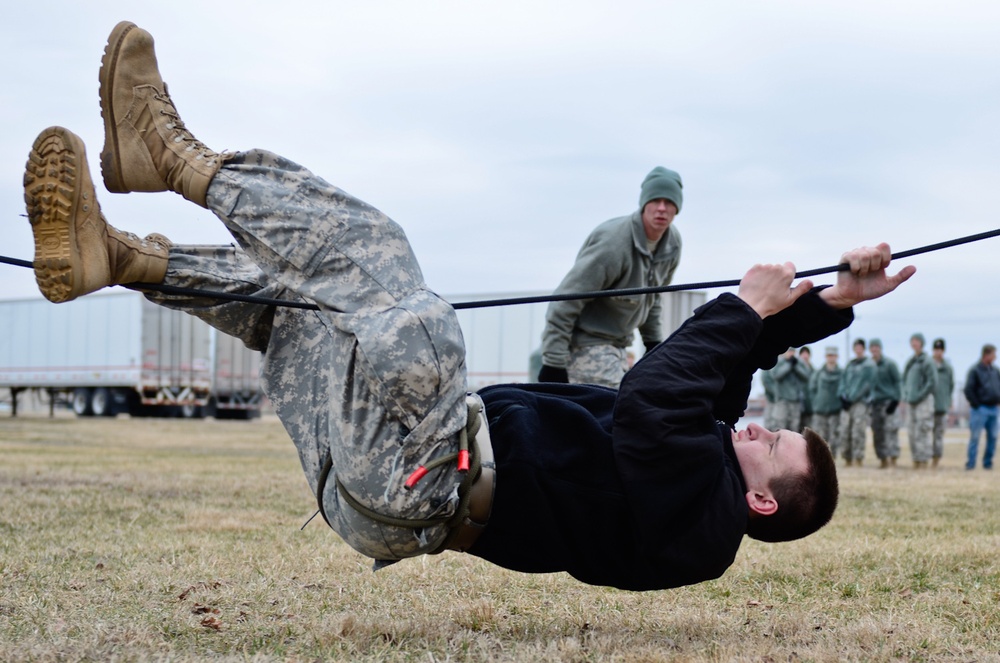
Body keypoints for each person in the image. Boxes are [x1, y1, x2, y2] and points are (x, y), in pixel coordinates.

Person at [22, 21, 915, 592]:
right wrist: (833, 298)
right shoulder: (708, 472)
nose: (755, 429)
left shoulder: (707, 521)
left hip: (424, 476)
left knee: (403, 294)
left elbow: (657, 399)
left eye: (771, 445)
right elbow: (720, 375)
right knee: (308, 306)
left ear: (762, 503)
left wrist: (740, 305)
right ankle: (123, 258)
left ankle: (174, 159)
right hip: (388, 477)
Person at [537, 167, 683, 387]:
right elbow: (565, 300)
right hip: (585, 344)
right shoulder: (613, 244)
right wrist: (553, 364)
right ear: (644, 203)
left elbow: (652, 299)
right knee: (612, 409)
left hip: (619, 347)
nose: (662, 209)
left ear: (677, 207)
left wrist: (654, 345)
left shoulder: (671, 244)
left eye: (669, 202)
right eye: (655, 200)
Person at [838, 339, 876, 466]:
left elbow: (866, 385)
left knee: (857, 431)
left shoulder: (869, 365)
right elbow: (843, 381)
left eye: (860, 348)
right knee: (845, 430)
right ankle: (847, 458)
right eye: (856, 348)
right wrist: (842, 396)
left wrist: (852, 398)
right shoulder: (850, 365)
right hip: (847, 403)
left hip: (860, 403)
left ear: (863, 349)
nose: (858, 350)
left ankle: (858, 458)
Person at [902, 333, 937, 469]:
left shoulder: (927, 361)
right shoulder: (911, 361)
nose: (914, 344)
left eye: (916, 341)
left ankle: (924, 460)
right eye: (912, 341)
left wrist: (920, 395)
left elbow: (932, 382)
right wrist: (907, 394)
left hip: (923, 402)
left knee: (923, 430)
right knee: (912, 431)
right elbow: (904, 380)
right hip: (911, 402)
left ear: (922, 343)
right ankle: (916, 459)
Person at [963, 344, 1000, 471]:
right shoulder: (975, 370)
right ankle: (971, 464)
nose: (995, 357)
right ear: (986, 355)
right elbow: (968, 389)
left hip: (994, 409)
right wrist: (976, 404)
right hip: (980, 409)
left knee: (993, 437)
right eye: (993, 354)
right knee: (975, 437)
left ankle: (988, 463)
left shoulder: (995, 371)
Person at [868, 338, 902, 469]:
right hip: (875, 403)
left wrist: (896, 400)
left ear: (880, 348)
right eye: (872, 347)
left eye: (876, 347)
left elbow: (898, 382)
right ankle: (882, 459)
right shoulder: (869, 365)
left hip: (888, 402)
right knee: (877, 432)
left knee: (890, 431)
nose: (874, 349)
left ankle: (893, 458)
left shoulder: (889, 364)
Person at [809, 346, 844, 458]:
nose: (831, 358)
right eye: (829, 355)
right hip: (820, 410)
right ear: (825, 357)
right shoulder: (818, 373)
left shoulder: (842, 373)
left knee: (835, 435)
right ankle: (821, 458)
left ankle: (833, 458)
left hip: (835, 410)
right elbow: (812, 388)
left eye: (833, 355)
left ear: (837, 357)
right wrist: (817, 401)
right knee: (820, 436)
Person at [766, 348, 811, 432]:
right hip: (782, 400)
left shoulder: (798, 363)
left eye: (793, 351)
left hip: (795, 401)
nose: (791, 353)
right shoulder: (779, 362)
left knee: (794, 427)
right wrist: (789, 366)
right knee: (779, 426)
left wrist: (796, 366)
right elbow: (775, 375)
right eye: (789, 351)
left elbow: (806, 376)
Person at [930, 338, 954, 468]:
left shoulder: (947, 368)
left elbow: (951, 386)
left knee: (938, 434)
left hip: (941, 405)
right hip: (928, 405)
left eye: (940, 349)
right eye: (936, 349)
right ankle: (925, 458)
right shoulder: (928, 365)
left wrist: (949, 401)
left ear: (943, 351)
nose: (938, 352)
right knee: (927, 433)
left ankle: (936, 459)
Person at [798, 346, 815, 431]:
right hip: (798, 403)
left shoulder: (813, 370)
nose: (805, 356)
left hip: (809, 405)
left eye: (806, 354)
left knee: (808, 429)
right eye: (803, 354)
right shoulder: (795, 369)